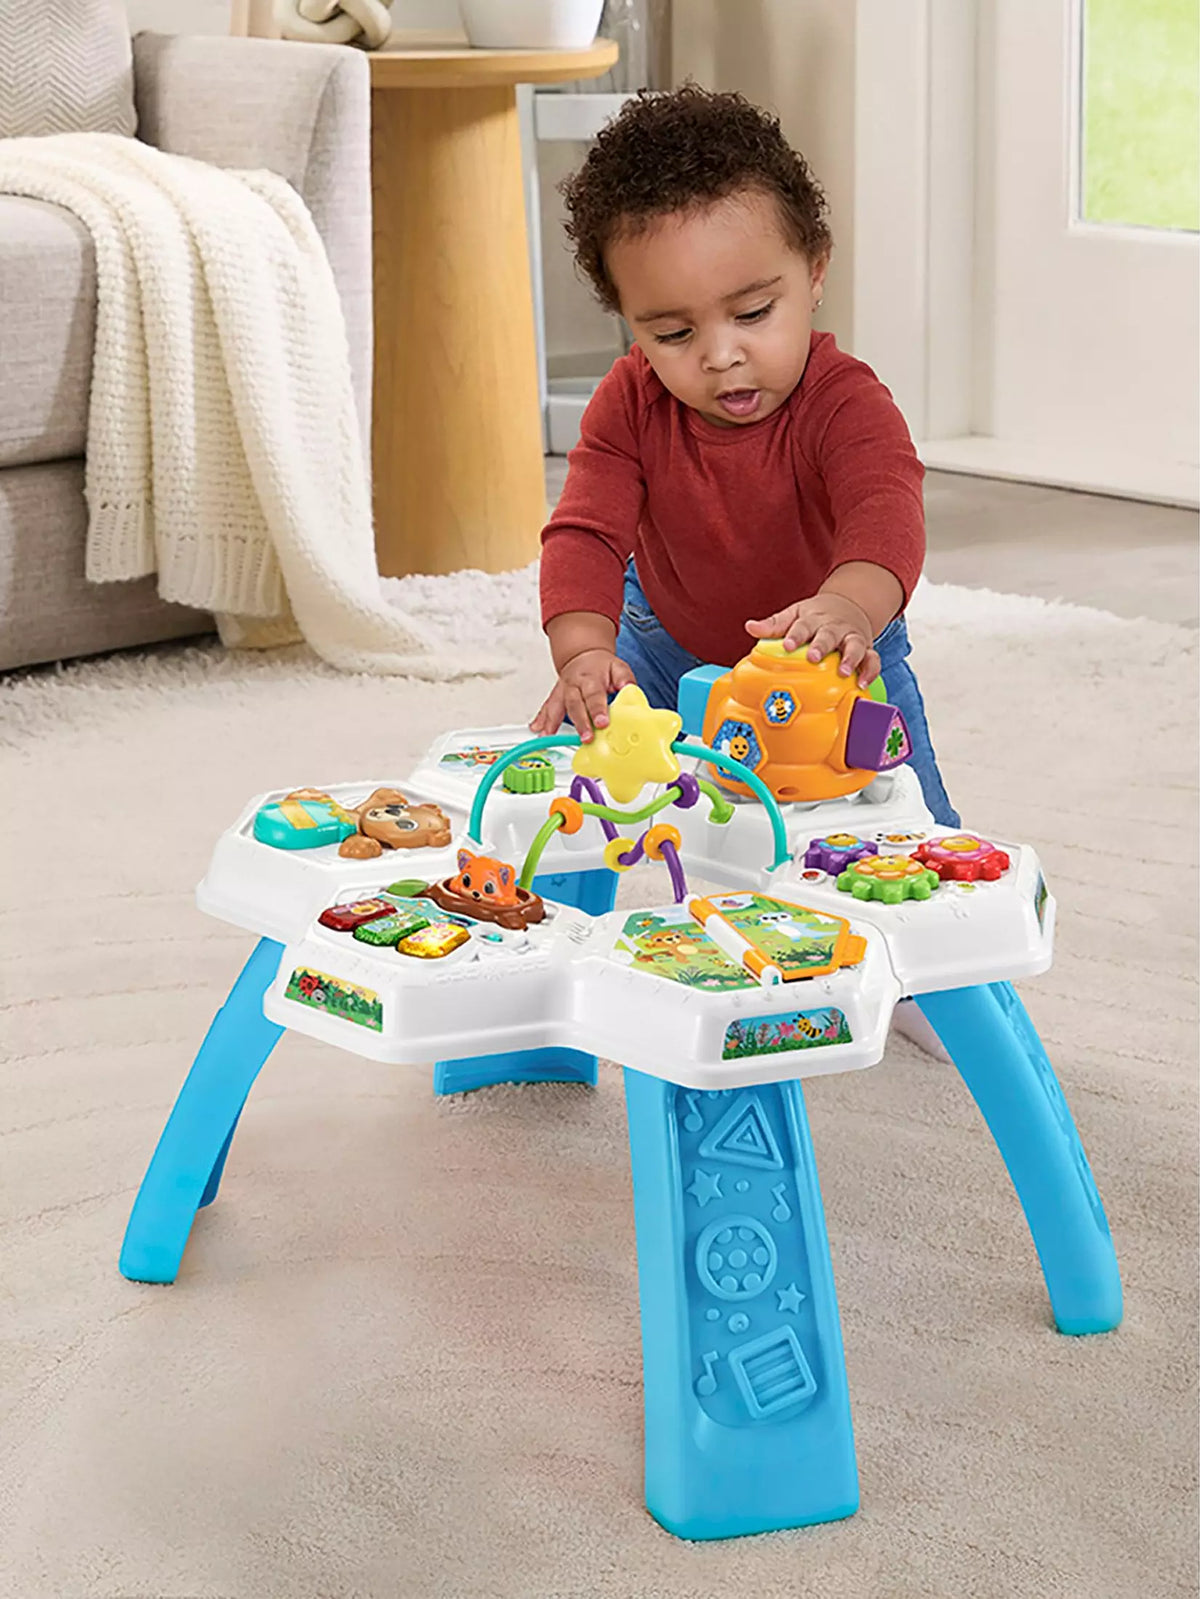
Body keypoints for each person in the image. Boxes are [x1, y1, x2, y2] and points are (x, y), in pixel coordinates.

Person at [530, 84, 958, 837]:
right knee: (572, 808)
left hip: (836, 656)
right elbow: (585, 532)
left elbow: (884, 508)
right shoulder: (628, 403)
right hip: (661, 650)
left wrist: (851, 607)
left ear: (815, 271)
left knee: (905, 831)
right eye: (670, 332)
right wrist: (585, 652)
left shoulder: (845, 402)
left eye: (754, 314)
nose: (721, 355)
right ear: (628, 320)